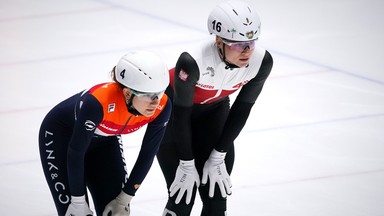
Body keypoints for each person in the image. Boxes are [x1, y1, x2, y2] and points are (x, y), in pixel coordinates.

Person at [157, 1, 273, 215]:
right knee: (184, 196)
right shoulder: (192, 61)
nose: (246, 51)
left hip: (213, 114)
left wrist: (219, 154)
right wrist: (186, 163)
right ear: (219, 40)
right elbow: (181, 116)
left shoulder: (261, 61)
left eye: (251, 42)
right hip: (174, 118)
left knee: (216, 195)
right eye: (238, 44)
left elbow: (242, 109)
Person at [38, 50, 171, 216]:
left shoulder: (162, 106)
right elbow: (76, 152)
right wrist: (78, 201)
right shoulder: (99, 102)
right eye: (149, 95)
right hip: (63, 137)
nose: (156, 102)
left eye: (160, 92)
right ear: (127, 93)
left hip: (105, 142)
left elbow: (147, 154)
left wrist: (125, 198)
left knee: (116, 212)